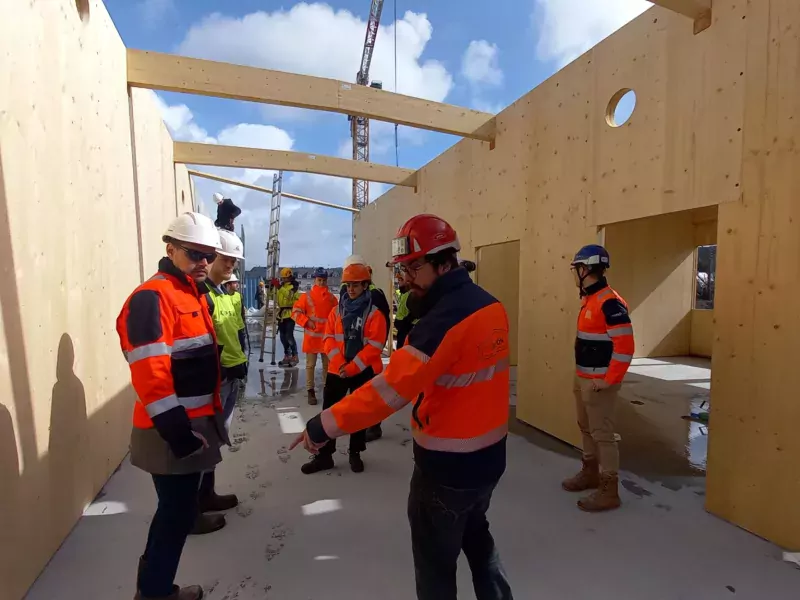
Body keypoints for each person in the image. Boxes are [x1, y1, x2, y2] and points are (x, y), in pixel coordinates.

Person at [291, 214, 513, 600]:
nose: (405, 278)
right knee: (477, 537)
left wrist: (323, 425)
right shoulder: (490, 306)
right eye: (402, 269)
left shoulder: (443, 321)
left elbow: (389, 391)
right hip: (489, 460)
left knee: (435, 567)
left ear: (444, 262)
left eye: (413, 267)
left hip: (447, 469)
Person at [117, 212, 225, 600]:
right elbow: (151, 372)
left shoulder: (190, 293)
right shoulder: (153, 297)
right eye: (195, 253)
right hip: (172, 432)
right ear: (171, 250)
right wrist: (178, 433)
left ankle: (154, 588)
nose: (203, 262)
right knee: (175, 513)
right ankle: (155, 592)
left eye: (208, 255)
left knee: (177, 511)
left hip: (189, 428)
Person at [562, 244, 634, 512]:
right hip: (583, 378)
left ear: (585, 269)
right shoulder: (590, 299)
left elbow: (625, 347)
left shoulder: (610, 302)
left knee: (603, 434)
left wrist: (609, 380)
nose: (574, 274)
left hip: (599, 383)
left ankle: (609, 490)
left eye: (575, 269)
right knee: (585, 427)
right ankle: (590, 472)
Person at [299, 258, 387, 475]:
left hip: (361, 371)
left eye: (356, 285)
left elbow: (375, 346)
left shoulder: (375, 313)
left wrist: (352, 368)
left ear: (365, 285)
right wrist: (340, 364)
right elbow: (328, 337)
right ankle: (324, 456)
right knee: (330, 413)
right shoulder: (337, 311)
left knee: (358, 414)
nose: (351, 289)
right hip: (338, 370)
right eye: (348, 285)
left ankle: (355, 453)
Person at [291, 267, 338, 405]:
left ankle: (326, 389)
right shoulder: (307, 297)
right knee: (310, 365)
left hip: (326, 338)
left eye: (323, 280)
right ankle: (310, 391)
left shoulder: (331, 298)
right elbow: (295, 313)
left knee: (327, 366)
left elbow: (338, 316)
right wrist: (306, 322)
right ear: (315, 280)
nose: (321, 283)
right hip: (312, 338)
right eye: (319, 280)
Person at [276, 267, 301, 367]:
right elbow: (274, 296)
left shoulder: (293, 287)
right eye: (282, 278)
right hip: (281, 315)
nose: (283, 280)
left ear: (290, 277)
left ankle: (295, 356)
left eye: (285, 278)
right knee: (282, 337)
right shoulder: (281, 287)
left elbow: (289, 296)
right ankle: (287, 355)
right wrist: (269, 287)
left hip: (290, 314)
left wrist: (279, 287)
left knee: (289, 336)